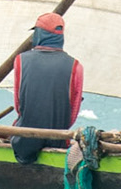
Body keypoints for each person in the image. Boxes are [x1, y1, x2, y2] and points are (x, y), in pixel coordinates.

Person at [11, 11, 83, 164]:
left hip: (24, 143)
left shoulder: (20, 60)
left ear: (39, 34)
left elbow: (19, 105)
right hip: (58, 140)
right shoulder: (76, 66)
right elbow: (73, 112)